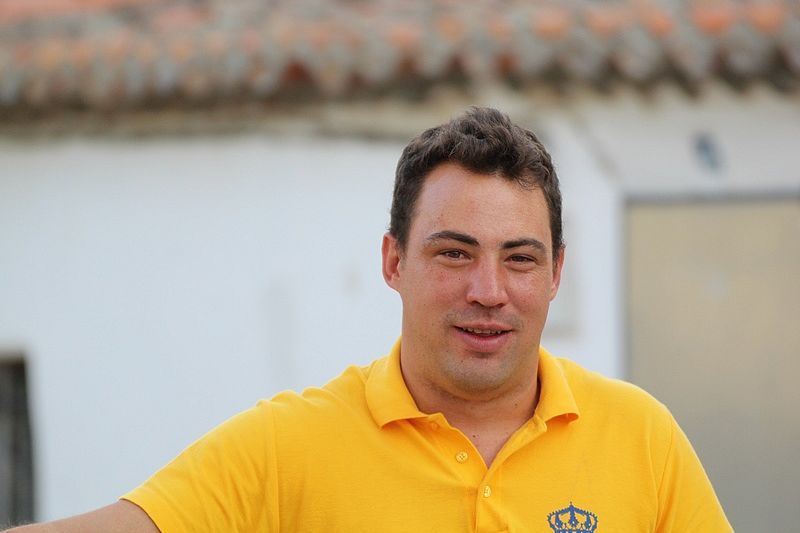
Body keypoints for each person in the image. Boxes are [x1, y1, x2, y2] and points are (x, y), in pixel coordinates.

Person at [6, 107, 731, 532]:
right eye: (454, 253)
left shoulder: (643, 439)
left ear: (556, 273)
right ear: (393, 261)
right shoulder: (286, 449)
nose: (489, 290)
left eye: (519, 258)